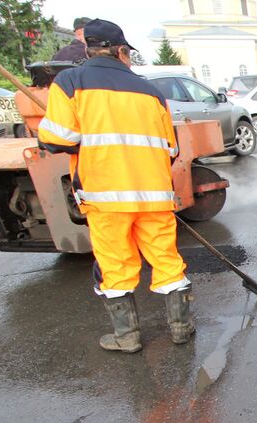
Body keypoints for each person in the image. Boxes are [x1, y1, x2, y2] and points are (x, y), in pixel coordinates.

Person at [38, 19, 194, 354]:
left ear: (89, 48)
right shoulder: (152, 92)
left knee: (116, 265)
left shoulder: (70, 82)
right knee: (166, 261)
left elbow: (55, 139)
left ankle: (128, 337)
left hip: (105, 196)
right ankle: (181, 328)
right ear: (121, 51)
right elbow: (170, 149)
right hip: (154, 195)